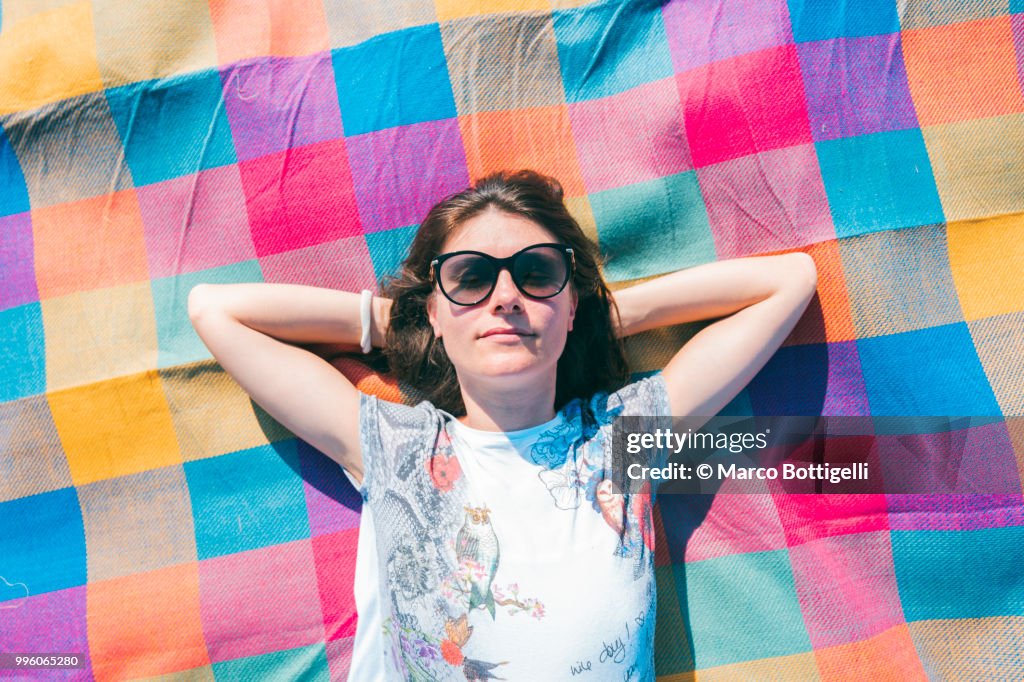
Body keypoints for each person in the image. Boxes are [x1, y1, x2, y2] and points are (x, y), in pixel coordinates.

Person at [188, 170, 817, 680]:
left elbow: (788, 282)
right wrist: (413, 321)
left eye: (538, 274)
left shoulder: (621, 440)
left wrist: (584, 316)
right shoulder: (399, 450)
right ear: (433, 307)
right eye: (471, 277)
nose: (506, 295)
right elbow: (216, 311)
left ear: (571, 301)